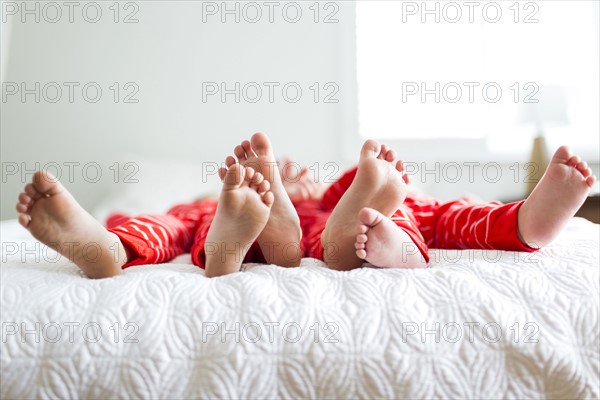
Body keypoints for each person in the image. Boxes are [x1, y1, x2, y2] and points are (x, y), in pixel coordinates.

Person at [16, 133, 596, 277]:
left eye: (291, 173)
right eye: (277, 177)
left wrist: (338, 194)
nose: (287, 175)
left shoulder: (331, 192)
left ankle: (533, 217)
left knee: (412, 209)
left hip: (330, 223)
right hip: (238, 226)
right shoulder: (206, 202)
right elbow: (171, 220)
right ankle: (104, 244)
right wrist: (225, 204)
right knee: (179, 218)